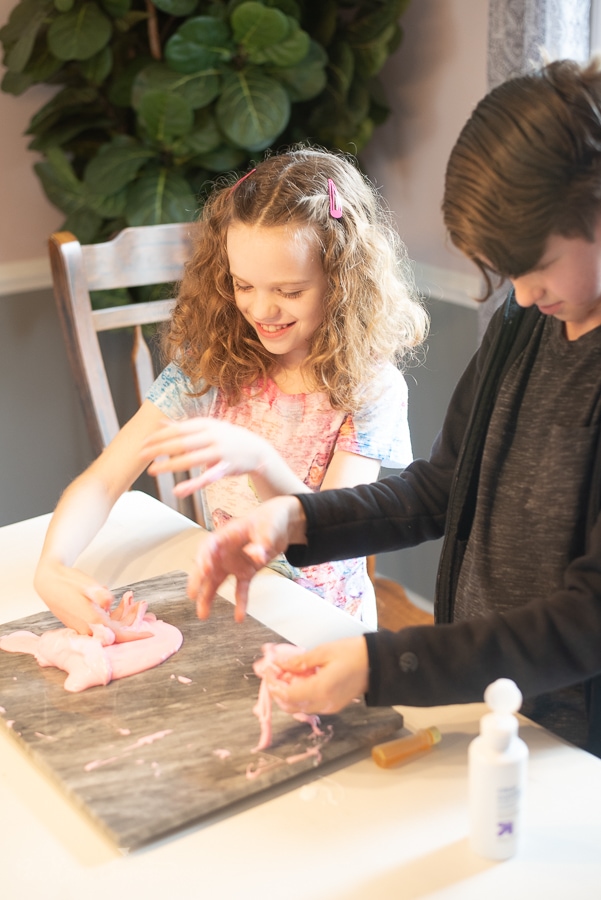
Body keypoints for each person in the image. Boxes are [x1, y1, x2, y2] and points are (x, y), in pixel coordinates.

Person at [186, 58, 601, 757]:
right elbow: (441, 488)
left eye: (536, 265)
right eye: (508, 273)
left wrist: (380, 665)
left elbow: (587, 619)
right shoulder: (526, 321)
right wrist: (295, 518)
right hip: (500, 703)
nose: (524, 295)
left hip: (579, 738)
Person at [34, 147, 428, 638]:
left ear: (343, 281)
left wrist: (260, 461)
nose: (262, 309)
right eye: (243, 285)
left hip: (325, 629)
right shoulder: (213, 367)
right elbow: (104, 480)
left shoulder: (369, 387)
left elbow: (332, 532)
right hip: (234, 609)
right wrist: (52, 565)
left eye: (289, 291)